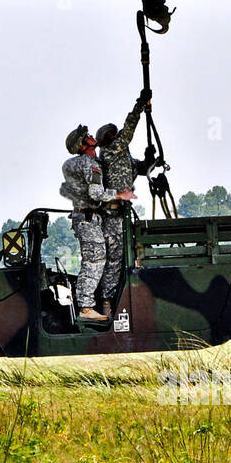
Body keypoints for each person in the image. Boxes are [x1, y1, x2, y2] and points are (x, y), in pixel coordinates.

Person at [61, 125, 136, 322]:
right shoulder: (90, 164)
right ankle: (86, 308)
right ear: (83, 144)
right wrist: (120, 195)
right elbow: (96, 193)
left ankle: (89, 304)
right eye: (87, 136)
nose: (92, 136)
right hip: (88, 218)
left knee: (97, 259)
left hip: (87, 218)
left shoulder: (83, 163)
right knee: (95, 260)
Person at [94, 89, 151, 316]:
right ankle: (107, 300)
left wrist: (150, 159)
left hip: (124, 215)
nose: (117, 136)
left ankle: (121, 299)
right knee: (114, 260)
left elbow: (140, 169)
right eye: (113, 134)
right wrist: (140, 104)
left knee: (128, 259)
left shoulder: (122, 156)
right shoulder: (110, 152)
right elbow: (128, 131)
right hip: (112, 215)